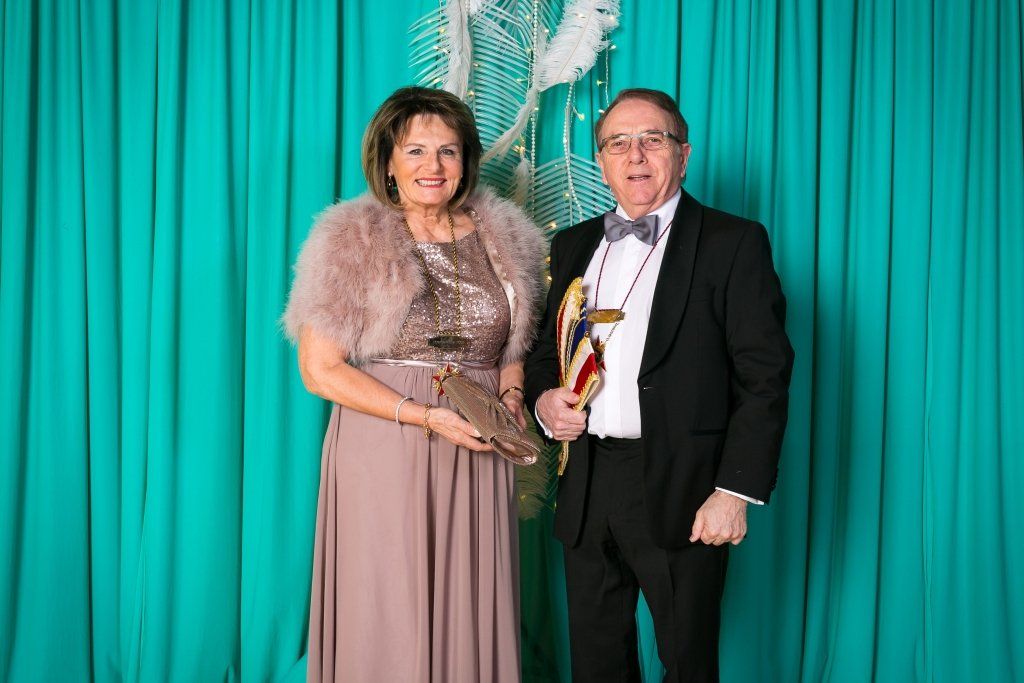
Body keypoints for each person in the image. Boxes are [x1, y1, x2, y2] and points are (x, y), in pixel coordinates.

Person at [524, 88, 794, 682]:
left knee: (687, 663)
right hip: (587, 480)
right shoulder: (572, 244)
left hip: (685, 484)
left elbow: (765, 377)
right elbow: (545, 354)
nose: (636, 155)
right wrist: (544, 403)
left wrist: (734, 491)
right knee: (596, 665)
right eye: (618, 143)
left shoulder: (732, 242)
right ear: (602, 163)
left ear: (684, 154)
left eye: (653, 139)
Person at [283, 86, 544, 682]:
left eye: (448, 151)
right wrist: (425, 415)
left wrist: (509, 396)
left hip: (480, 443)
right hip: (388, 440)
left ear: (466, 161)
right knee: (388, 599)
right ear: (387, 162)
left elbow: (516, 347)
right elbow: (319, 369)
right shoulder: (350, 237)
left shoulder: (511, 236)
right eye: (416, 151)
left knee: (471, 599)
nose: (434, 166)